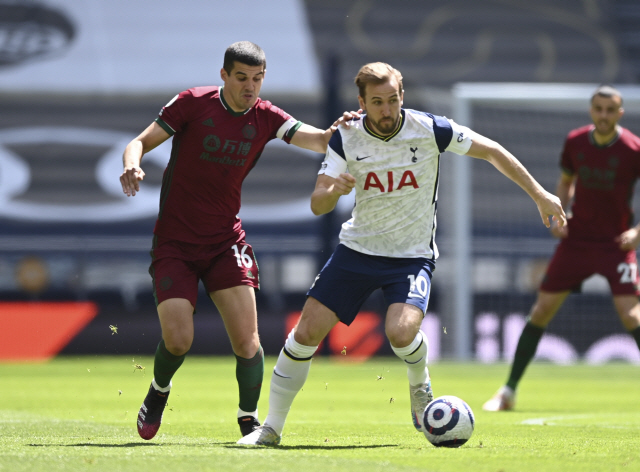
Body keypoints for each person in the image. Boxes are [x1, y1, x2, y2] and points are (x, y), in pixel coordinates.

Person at [237, 62, 566, 446]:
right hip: (357, 250)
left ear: (402, 96)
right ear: (361, 102)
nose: (387, 109)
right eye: (377, 102)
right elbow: (317, 204)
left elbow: (491, 150)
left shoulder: (430, 129)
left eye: (392, 100)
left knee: (400, 331)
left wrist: (540, 194)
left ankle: (419, 382)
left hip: (410, 257)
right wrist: (334, 192)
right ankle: (271, 428)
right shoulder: (345, 137)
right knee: (305, 332)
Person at [120, 41, 354, 440]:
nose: (251, 87)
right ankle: (159, 391)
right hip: (174, 242)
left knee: (248, 343)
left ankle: (249, 417)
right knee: (178, 341)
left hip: (226, 242)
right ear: (224, 75)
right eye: (242, 78)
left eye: (258, 79)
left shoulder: (265, 116)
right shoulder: (192, 102)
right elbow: (138, 142)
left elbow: (319, 140)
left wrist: (345, 128)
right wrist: (131, 165)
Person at [483, 85, 640, 412]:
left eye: (611, 110)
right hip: (577, 241)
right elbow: (566, 182)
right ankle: (508, 392)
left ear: (620, 114)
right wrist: (559, 215)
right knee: (541, 311)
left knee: (631, 316)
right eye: (599, 109)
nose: (604, 115)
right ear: (591, 110)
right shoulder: (575, 142)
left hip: (615, 244)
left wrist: (637, 231)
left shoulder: (633, 149)